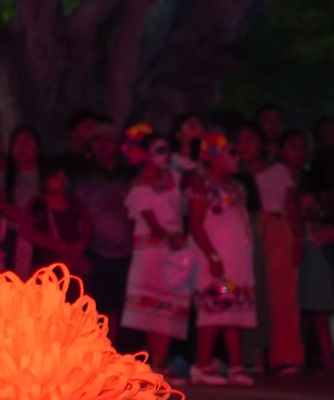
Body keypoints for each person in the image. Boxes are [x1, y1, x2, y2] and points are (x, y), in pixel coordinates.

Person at [122, 129, 195, 376]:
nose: (164, 157)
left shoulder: (174, 179)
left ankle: (159, 363)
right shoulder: (139, 188)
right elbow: (151, 222)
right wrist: (170, 237)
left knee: (167, 309)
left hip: (173, 252)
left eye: (167, 151)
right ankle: (156, 363)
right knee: (151, 310)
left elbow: (194, 172)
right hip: (151, 252)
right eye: (158, 151)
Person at [188, 134, 257, 386]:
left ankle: (236, 365)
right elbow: (196, 225)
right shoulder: (201, 185)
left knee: (233, 308)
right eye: (231, 153)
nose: (236, 159)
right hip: (216, 262)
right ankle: (202, 364)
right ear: (212, 157)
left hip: (237, 262)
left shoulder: (237, 187)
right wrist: (213, 256)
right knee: (215, 307)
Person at [241, 124, 303, 375]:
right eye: (240, 140)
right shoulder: (234, 172)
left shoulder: (279, 171)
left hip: (278, 231)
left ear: (263, 144)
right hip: (246, 232)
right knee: (248, 293)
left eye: (251, 139)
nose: (245, 146)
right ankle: (251, 355)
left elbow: (291, 207)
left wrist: (298, 241)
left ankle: (286, 356)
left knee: (282, 295)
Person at [75, 119, 134, 338]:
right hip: (97, 252)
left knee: (127, 306)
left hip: (130, 252)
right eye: (98, 140)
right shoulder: (82, 175)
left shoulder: (130, 175)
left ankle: (129, 356)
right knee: (99, 305)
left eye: (110, 140)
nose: (104, 145)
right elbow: (76, 214)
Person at [284, 130, 334, 371]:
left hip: (314, 250)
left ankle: (325, 360)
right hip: (284, 247)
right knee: (292, 306)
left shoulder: (311, 181)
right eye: (294, 145)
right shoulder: (275, 176)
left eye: (304, 146)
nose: (300, 152)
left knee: (318, 310)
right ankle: (294, 358)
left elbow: (322, 217)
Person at [20, 158, 92, 276]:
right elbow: (26, 231)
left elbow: (88, 229)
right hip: (44, 268)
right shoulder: (36, 204)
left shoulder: (75, 203)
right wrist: (55, 245)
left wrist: (79, 244)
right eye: (56, 177)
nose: (61, 181)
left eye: (64, 176)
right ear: (44, 182)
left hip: (73, 267)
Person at [0, 127, 44, 274]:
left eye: (26, 143)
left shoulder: (48, 174)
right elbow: (2, 204)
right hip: (17, 235)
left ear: (37, 148)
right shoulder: (4, 173)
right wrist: (28, 221)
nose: (21, 147)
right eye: (17, 143)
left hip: (46, 236)